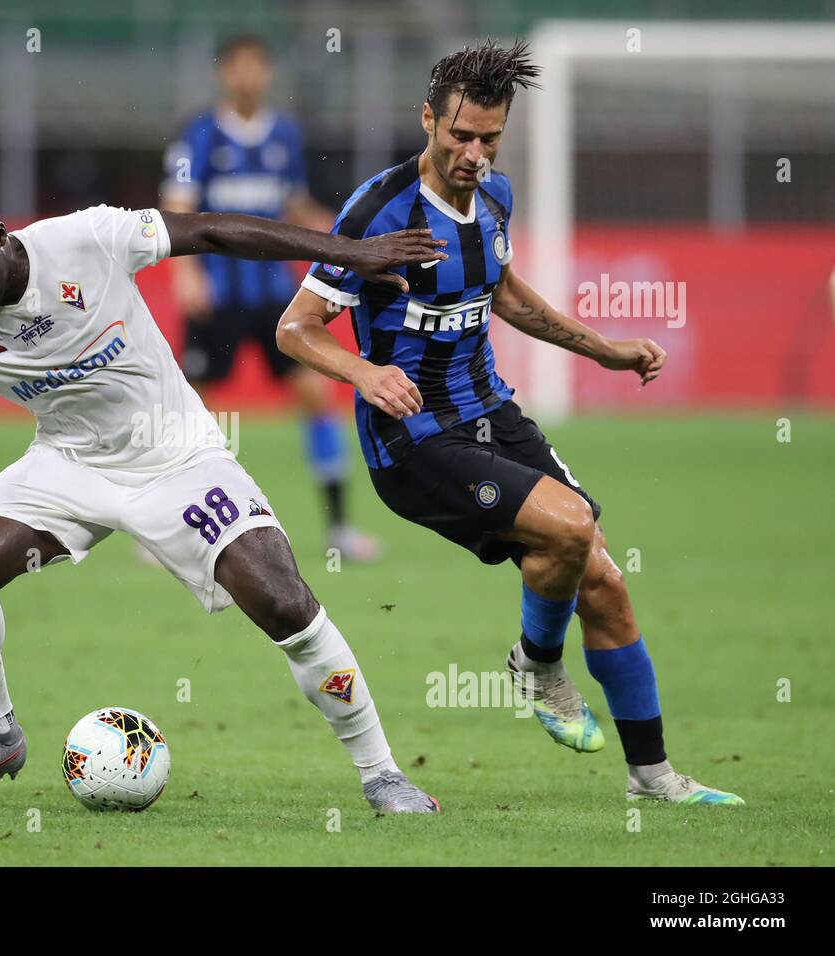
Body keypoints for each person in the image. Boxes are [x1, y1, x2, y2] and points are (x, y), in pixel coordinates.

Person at [0, 182, 448, 812]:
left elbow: (212, 230)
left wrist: (347, 252)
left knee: (282, 600)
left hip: (178, 455)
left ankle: (383, 776)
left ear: (2, 235)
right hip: (66, 466)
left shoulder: (86, 238)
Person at [276, 40, 742, 806]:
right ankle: (535, 664)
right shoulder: (377, 210)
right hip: (413, 438)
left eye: (489, 138)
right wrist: (366, 373)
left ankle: (652, 777)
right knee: (569, 527)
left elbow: (507, 295)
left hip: (492, 411)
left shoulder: (496, 198)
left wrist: (604, 351)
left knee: (602, 578)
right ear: (428, 119)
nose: (473, 152)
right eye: (459, 136)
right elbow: (296, 328)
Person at [162, 34, 379, 561]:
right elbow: (177, 207)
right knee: (197, 413)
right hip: (217, 292)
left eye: (256, 68)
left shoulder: (285, 134)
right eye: (238, 68)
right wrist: (186, 275)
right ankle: (175, 531)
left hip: (275, 297)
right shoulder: (198, 135)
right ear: (224, 74)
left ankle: (338, 528)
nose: (247, 77)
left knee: (314, 396)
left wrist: (343, 242)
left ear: (267, 74)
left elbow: (294, 204)